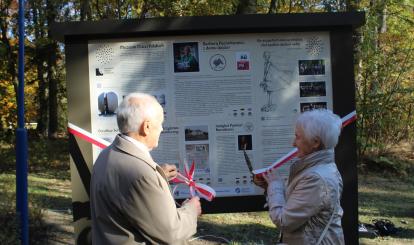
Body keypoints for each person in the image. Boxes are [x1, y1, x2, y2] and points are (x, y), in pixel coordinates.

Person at [90, 92, 201, 245]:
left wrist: (158, 175)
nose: (161, 129)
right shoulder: (142, 175)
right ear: (147, 126)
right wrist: (192, 210)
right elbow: (171, 234)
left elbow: (127, 194)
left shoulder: (106, 155)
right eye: (160, 123)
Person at [255, 109, 344, 245]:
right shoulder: (320, 169)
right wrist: (270, 186)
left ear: (315, 142)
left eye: (298, 137)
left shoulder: (316, 178)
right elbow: (299, 203)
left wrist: (276, 186)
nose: (293, 143)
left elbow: (284, 221)